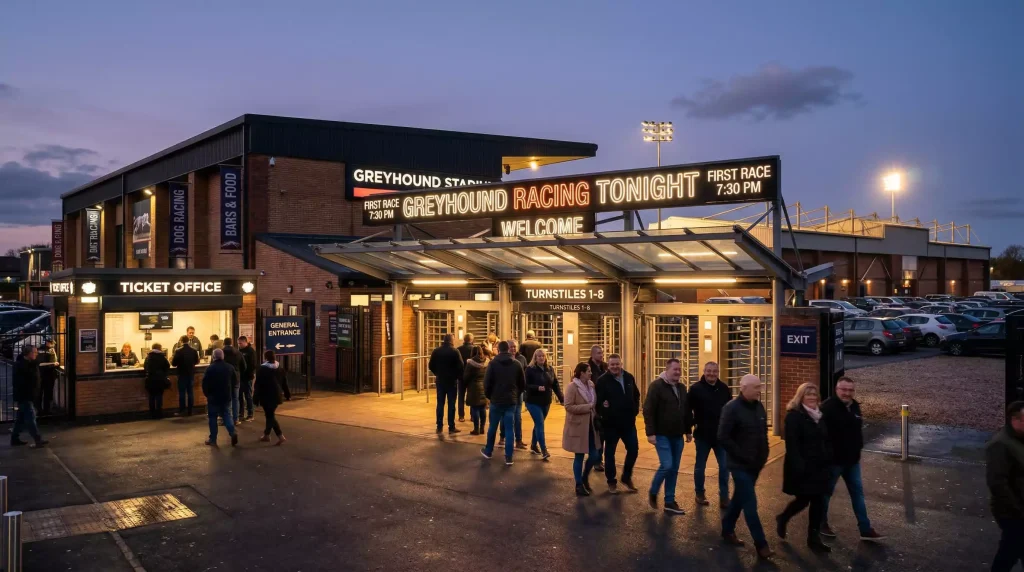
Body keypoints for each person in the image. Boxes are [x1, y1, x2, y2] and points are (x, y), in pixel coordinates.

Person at [820, 376, 884, 541]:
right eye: (844, 389)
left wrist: (858, 448)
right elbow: (821, 436)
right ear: (837, 389)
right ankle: (821, 523)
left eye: (850, 390)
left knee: (858, 494)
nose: (847, 393)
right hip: (833, 462)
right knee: (825, 494)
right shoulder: (827, 408)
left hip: (852, 461)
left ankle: (865, 529)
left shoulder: (854, 406)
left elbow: (857, 431)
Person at [719, 374, 773, 559]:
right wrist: (742, 456)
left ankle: (727, 529)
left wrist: (764, 455)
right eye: (756, 387)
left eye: (760, 387)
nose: (760, 391)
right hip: (739, 465)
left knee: (739, 499)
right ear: (744, 388)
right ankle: (761, 544)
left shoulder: (758, 407)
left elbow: (763, 433)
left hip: (755, 465)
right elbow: (723, 437)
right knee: (751, 503)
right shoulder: (731, 409)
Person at [776, 383, 833, 553]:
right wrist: (800, 467)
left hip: (819, 467)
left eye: (814, 394)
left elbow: (826, 439)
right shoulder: (794, 416)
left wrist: (828, 456)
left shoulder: (820, 416)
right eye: (808, 395)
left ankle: (813, 538)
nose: (812, 397)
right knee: (803, 500)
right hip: (803, 468)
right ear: (800, 397)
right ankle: (783, 517)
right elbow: (792, 446)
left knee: (819, 501)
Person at [643, 358, 689, 515]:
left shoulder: (682, 388)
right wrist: (650, 433)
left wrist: (688, 430)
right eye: (674, 369)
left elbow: (686, 411)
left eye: (679, 369)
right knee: (667, 465)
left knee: (674, 469)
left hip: (678, 435)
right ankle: (654, 491)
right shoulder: (656, 386)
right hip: (662, 435)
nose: (677, 372)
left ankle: (669, 501)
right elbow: (648, 409)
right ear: (667, 370)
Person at [688, 361, 732, 508]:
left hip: (721, 437)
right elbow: (687, 410)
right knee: (700, 466)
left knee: (725, 466)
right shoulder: (695, 389)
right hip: (702, 436)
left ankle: (724, 497)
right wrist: (690, 426)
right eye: (709, 371)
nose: (711, 374)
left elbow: (730, 411)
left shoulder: (724, 389)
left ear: (718, 372)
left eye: (714, 371)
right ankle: (699, 494)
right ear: (704, 371)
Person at [987, 401, 1024, 571]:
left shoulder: (1018, 439)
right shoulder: (1001, 445)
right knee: (1009, 551)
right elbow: (997, 483)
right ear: (1014, 419)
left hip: (1018, 509)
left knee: (1012, 549)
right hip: (1012, 511)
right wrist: (1017, 510)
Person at [595, 353, 641, 493]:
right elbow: (597, 402)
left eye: (617, 364)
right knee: (609, 453)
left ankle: (626, 477)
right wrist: (604, 408)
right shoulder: (602, 381)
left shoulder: (629, 377)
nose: (615, 366)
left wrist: (634, 410)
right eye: (612, 364)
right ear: (608, 366)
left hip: (628, 423)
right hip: (611, 424)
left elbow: (636, 395)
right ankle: (611, 481)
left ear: (621, 364)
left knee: (633, 450)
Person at [481, 341, 525, 466]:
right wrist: (515, 395)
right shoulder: (516, 364)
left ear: (498, 350)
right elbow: (522, 383)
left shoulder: (493, 363)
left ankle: (488, 451)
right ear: (509, 350)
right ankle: (509, 457)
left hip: (496, 400)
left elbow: (486, 383)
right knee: (510, 428)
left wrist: (490, 396)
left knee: (492, 427)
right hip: (511, 401)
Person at [564, 362, 602, 496]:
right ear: (582, 373)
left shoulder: (591, 385)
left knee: (595, 455)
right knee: (579, 455)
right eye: (588, 371)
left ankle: (585, 476)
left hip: (591, 426)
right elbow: (568, 406)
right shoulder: (572, 387)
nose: (591, 373)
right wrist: (587, 407)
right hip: (578, 427)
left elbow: (594, 404)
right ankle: (578, 484)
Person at [525, 348, 563, 461]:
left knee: (538, 424)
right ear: (535, 358)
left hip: (546, 402)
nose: (541, 358)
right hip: (532, 402)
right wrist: (537, 387)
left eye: (543, 356)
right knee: (540, 424)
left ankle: (533, 445)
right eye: (539, 356)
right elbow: (525, 385)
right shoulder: (530, 370)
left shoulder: (550, 369)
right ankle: (544, 450)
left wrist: (562, 398)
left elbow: (555, 384)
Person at [11, 345, 48, 447]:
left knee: (20, 419)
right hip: (25, 396)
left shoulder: (30, 363)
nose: (36, 354)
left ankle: (14, 438)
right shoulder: (21, 365)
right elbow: (24, 382)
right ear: (28, 354)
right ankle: (38, 439)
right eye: (34, 352)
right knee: (31, 418)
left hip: (28, 395)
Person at [428, 333, 464, 435]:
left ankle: (439, 426)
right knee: (451, 404)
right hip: (452, 381)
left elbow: (430, 365)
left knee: (440, 404)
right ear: (451, 340)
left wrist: (437, 373)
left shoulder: (436, 351)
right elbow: (461, 366)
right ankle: (451, 426)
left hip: (440, 381)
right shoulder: (455, 351)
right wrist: (456, 376)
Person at [201, 349, 238, 447]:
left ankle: (213, 439)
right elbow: (235, 381)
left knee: (213, 417)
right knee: (227, 415)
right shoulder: (230, 367)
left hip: (213, 397)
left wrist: (207, 394)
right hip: (226, 396)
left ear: (213, 357)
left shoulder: (210, 369)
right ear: (223, 356)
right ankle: (232, 432)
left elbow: (204, 384)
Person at [254, 350, 287, 445]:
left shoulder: (262, 369)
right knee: (269, 415)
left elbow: (258, 384)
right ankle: (266, 435)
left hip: (266, 395)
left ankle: (280, 436)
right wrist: (287, 394)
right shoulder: (280, 368)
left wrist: (256, 397)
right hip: (277, 395)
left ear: (265, 358)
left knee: (270, 416)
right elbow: (284, 382)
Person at [499, 339, 527, 450]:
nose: (513, 349)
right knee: (505, 416)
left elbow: (525, 375)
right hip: (506, 393)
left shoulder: (522, 359)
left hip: (518, 392)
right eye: (511, 347)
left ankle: (518, 440)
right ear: (507, 348)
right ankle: (502, 437)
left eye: (515, 347)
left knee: (517, 416)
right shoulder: (502, 359)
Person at [587, 345, 608, 472]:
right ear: (593, 354)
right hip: (594, 407)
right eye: (599, 353)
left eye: (602, 353)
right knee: (597, 435)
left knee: (603, 435)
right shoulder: (587, 368)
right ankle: (596, 460)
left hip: (605, 407)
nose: (601, 355)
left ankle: (598, 459)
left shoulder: (605, 366)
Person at [463, 345, 490, 435]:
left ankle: (476, 429)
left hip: (473, 387)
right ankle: (482, 428)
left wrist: (465, 384)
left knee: (475, 408)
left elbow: (466, 376)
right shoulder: (486, 362)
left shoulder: (471, 363)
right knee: (482, 408)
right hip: (484, 387)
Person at [172, 335, 200, 416]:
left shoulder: (178, 351)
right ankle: (190, 411)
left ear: (181, 341)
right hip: (191, 374)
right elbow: (197, 361)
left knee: (182, 393)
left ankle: (182, 410)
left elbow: (174, 364)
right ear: (188, 341)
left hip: (181, 374)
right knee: (190, 392)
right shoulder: (194, 350)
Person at [143, 344, 171, 418]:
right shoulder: (162, 357)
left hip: (150, 380)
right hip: (160, 380)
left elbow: (145, 367)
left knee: (151, 397)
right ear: (159, 348)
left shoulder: (148, 357)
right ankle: (159, 414)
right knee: (159, 396)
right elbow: (167, 366)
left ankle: (152, 414)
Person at [222, 337, 245, 424]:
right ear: (232, 343)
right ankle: (236, 419)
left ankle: (226, 419)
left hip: (224, 379)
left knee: (226, 399)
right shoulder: (238, 352)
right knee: (235, 398)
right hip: (236, 378)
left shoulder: (221, 352)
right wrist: (238, 372)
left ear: (224, 343)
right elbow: (244, 366)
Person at [237, 336, 258, 422]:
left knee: (248, 395)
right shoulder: (239, 351)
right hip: (240, 377)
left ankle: (250, 414)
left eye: (240, 343)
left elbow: (253, 365)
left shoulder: (250, 351)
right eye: (238, 343)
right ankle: (241, 413)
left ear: (245, 342)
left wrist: (249, 374)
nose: (239, 345)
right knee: (239, 396)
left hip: (247, 377)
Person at [37, 338, 59, 415]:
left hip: (40, 375)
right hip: (48, 375)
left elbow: (38, 363)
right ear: (48, 343)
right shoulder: (50, 351)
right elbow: (50, 363)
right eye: (52, 343)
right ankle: (46, 411)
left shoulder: (39, 349)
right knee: (48, 393)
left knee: (39, 393)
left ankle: (39, 410)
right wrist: (54, 364)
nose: (53, 345)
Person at [457, 333, 475, 423]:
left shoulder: (458, 349)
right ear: (471, 340)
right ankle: (472, 416)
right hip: (472, 376)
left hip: (461, 376)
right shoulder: (474, 349)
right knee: (471, 395)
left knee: (460, 396)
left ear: (464, 340)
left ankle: (461, 416)